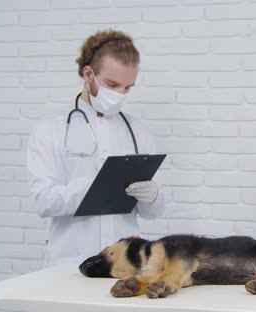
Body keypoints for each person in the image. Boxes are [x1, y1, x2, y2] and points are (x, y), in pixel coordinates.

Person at [27, 29, 165, 266]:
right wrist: (91, 187)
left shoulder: (138, 131)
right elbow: (43, 201)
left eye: (127, 87)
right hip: (68, 262)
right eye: (112, 84)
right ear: (88, 74)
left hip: (125, 264)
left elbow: (152, 213)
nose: (119, 94)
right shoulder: (50, 130)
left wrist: (153, 196)